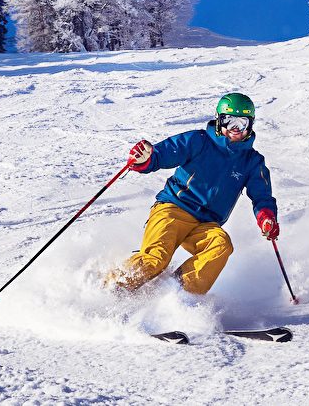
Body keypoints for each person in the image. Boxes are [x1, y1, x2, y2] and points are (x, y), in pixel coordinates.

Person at [105, 92, 279, 295]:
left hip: (206, 223)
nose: (235, 129)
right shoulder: (199, 141)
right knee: (156, 258)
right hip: (173, 209)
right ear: (219, 120)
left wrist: (266, 217)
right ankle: (112, 287)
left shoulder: (252, 161)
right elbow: (164, 154)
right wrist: (147, 159)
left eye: (241, 123)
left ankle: (176, 294)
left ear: (250, 125)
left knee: (221, 245)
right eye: (229, 121)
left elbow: (262, 196)